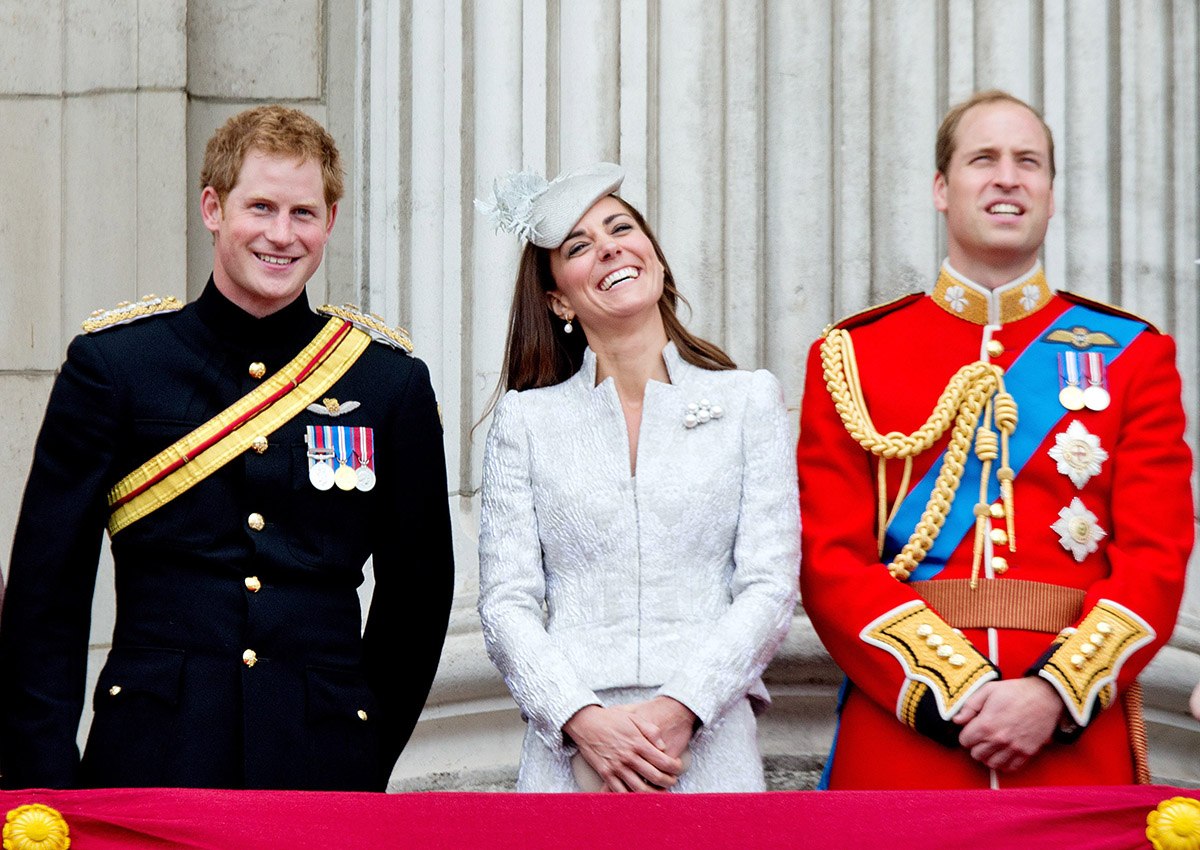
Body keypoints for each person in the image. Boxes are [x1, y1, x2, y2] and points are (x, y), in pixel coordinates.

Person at [0, 106, 455, 791]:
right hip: (153, 756)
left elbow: (418, 597)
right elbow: (47, 591)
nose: (281, 234)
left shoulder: (388, 382)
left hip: (321, 762)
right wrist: (44, 781)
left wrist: (362, 743)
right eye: (261, 207)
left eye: (303, 213)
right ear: (213, 208)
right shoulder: (117, 367)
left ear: (330, 222)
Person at [797, 90, 1193, 789]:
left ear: (1049, 193)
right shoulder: (853, 355)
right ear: (942, 189)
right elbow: (828, 561)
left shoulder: (1133, 355)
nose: (1008, 177)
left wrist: (1053, 694)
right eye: (985, 159)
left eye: (1028, 162)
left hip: (1071, 741)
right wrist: (956, 693)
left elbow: (1155, 559)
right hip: (905, 735)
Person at [475, 163, 799, 792]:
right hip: (573, 749)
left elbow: (769, 585)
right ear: (558, 298)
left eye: (620, 227)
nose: (609, 247)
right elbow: (506, 602)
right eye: (578, 246)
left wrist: (683, 709)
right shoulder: (527, 420)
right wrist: (580, 718)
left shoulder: (748, 400)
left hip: (708, 735)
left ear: (653, 257)